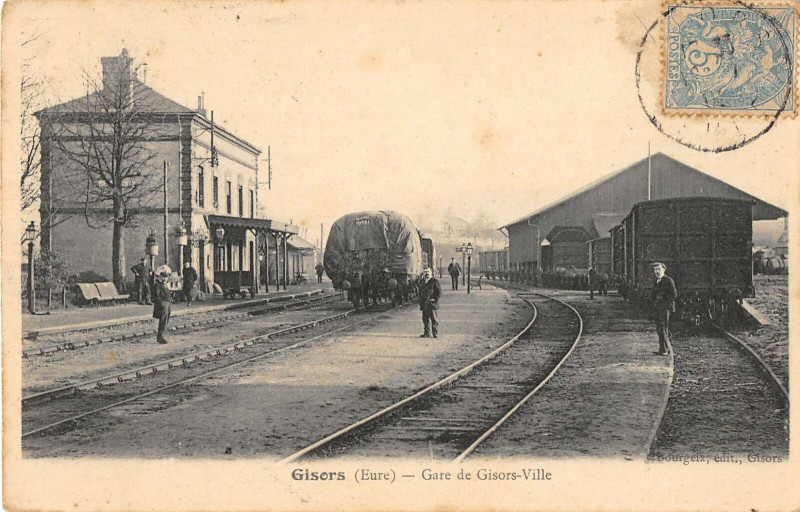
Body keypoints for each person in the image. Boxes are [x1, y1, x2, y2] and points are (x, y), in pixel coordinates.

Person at [651, 262, 677, 356]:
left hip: (665, 308)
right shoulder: (656, 281)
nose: (657, 271)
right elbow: (653, 295)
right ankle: (662, 349)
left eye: (659, 269)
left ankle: (666, 349)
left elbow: (673, 295)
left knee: (663, 328)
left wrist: (666, 305)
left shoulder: (668, 280)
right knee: (659, 328)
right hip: (657, 307)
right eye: (655, 270)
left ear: (664, 270)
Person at [418, 267, 442, 338]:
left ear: (431, 273)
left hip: (431, 304)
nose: (427, 274)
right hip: (424, 303)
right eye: (425, 272)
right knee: (425, 319)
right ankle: (427, 333)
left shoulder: (435, 281)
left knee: (434, 319)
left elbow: (439, 292)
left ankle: (435, 333)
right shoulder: (422, 282)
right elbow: (420, 292)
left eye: (428, 272)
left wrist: (434, 299)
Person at [152, 265, 173, 344]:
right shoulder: (157, 285)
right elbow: (156, 296)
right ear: (160, 277)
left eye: (166, 277)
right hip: (163, 305)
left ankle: (163, 335)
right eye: (163, 277)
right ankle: (160, 337)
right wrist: (162, 304)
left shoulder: (165, 285)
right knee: (163, 321)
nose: (164, 279)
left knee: (166, 320)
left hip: (167, 304)